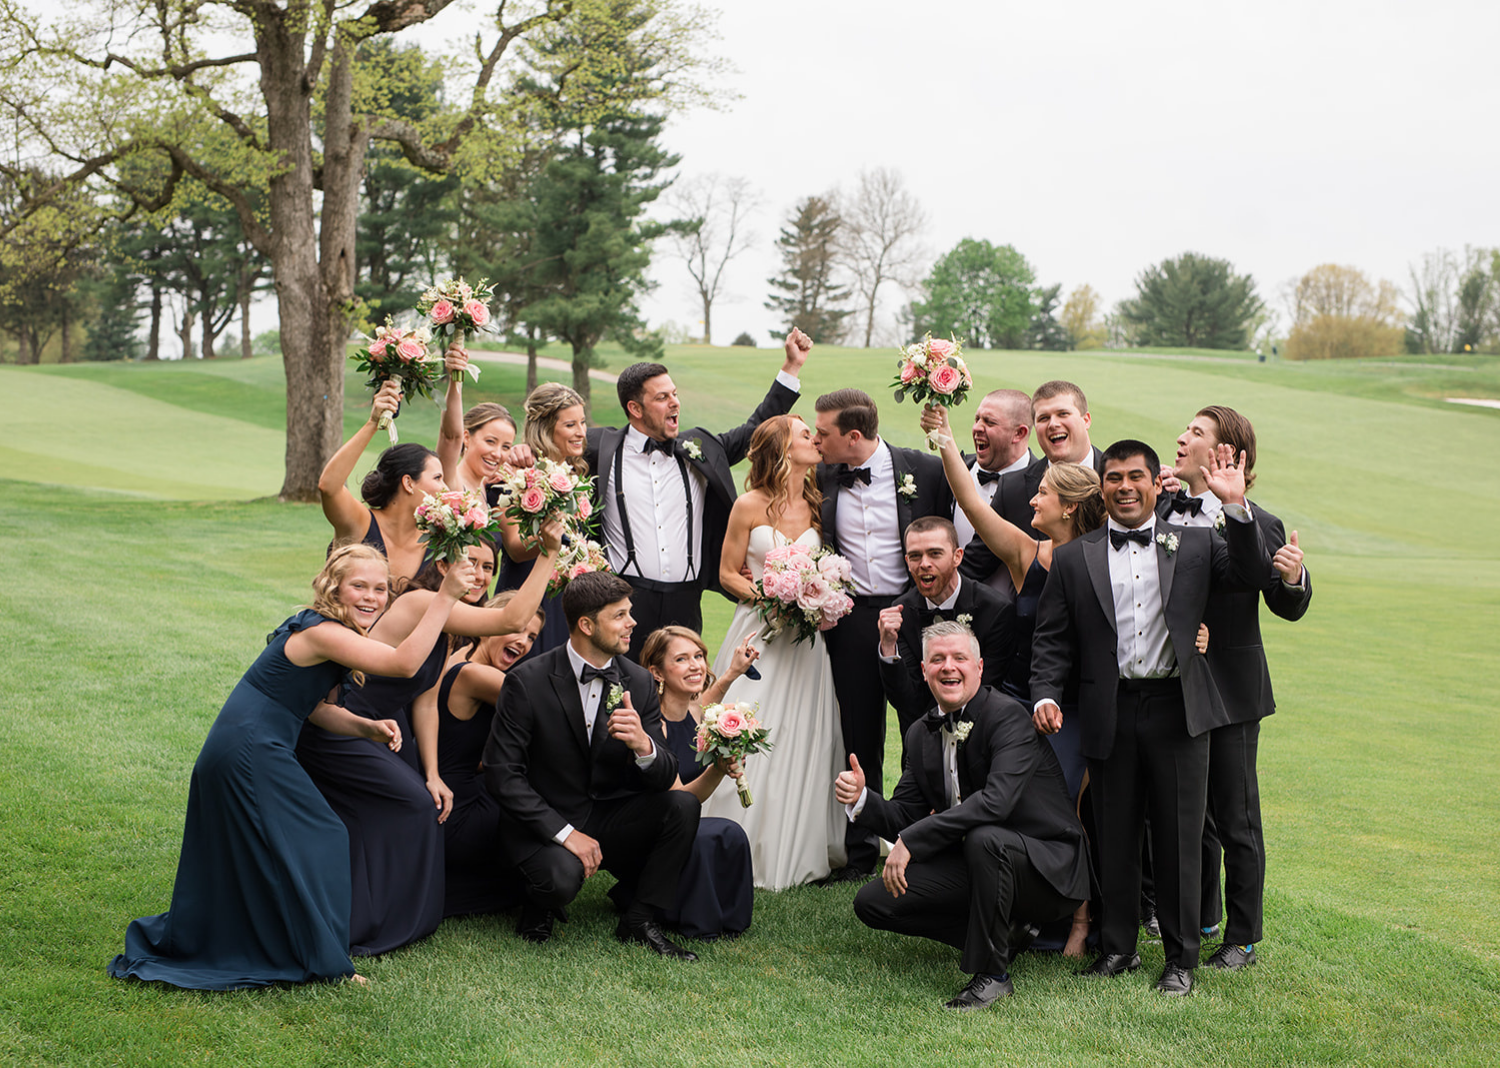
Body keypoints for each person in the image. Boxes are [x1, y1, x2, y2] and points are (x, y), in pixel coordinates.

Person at [108, 544, 476, 990]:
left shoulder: (334, 634)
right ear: (333, 586)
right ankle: (327, 963)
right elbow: (403, 663)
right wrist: (446, 595)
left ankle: (294, 945)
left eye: (380, 589)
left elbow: (314, 709)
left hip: (259, 745)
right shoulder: (322, 632)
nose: (371, 597)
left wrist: (366, 728)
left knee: (282, 845)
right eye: (358, 586)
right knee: (320, 835)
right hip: (249, 749)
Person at [1030, 439, 1273, 996]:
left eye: (1136, 476)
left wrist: (1235, 510)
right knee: (1113, 834)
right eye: (1113, 477)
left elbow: (1249, 574)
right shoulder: (1074, 556)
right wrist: (1044, 692)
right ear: (1103, 486)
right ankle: (1118, 949)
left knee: (1180, 837)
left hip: (1178, 709)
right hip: (1108, 709)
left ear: (1150, 481)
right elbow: (1052, 641)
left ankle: (1181, 960)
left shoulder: (1193, 543)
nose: (1125, 487)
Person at [296, 528, 561, 956]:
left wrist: (434, 774)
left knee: (424, 799)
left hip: (381, 732)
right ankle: (379, 918)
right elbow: (511, 620)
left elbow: (426, 703)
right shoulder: (422, 603)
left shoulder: (448, 623)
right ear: (442, 565)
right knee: (412, 807)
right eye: (469, 563)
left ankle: (390, 907)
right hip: (341, 727)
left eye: (488, 568)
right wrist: (548, 553)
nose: (479, 575)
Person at [836, 622, 1091, 1010]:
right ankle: (1006, 933)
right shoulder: (921, 733)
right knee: (874, 901)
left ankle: (992, 974)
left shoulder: (1008, 717)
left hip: (1049, 867)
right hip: (979, 860)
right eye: (937, 659)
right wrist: (863, 801)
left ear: (979, 667)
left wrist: (913, 842)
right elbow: (907, 813)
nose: (948, 667)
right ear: (923, 671)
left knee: (985, 837)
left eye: (959, 658)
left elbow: (996, 803)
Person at [1159, 406, 1311, 970]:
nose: (1182, 437)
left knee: (1235, 815)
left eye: (1196, 433)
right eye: (1186, 428)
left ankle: (1243, 936)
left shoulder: (1259, 521)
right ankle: (1201, 918)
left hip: (1231, 688)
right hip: (1172, 684)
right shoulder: (1164, 508)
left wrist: (1292, 576)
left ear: (1230, 455)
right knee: (1189, 816)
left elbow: (1271, 594)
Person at [483, 572, 700, 959]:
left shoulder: (638, 681)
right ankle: (539, 901)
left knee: (683, 806)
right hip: (546, 819)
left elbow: (666, 774)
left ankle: (639, 918)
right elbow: (503, 775)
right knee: (558, 882)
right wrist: (566, 834)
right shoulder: (526, 682)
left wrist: (643, 745)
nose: (632, 623)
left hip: (609, 814)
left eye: (629, 613)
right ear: (586, 624)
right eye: (619, 616)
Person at [587, 331, 809, 660]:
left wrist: (791, 367)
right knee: (621, 695)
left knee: (683, 697)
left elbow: (755, 430)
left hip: (686, 602)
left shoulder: (700, 448)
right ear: (634, 408)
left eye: (674, 394)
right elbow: (553, 443)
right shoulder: (600, 448)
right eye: (662, 397)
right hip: (623, 599)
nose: (675, 402)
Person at [701, 414, 849, 889]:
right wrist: (772, 596)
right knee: (751, 725)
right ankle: (739, 838)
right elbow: (726, 574)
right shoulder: (748, 505)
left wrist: (814, 595)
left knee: (803, 733)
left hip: (805, 642)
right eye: (806, 434)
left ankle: (798, 844)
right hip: (759, 635)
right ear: (782, 447)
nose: (815, 440)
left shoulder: (818, 505)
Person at [813, 387, 953, 880]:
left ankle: (929, 839)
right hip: (850, 620)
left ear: (854, 435)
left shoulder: (926, 470)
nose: (816, 440)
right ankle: (859, 849)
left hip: (915, 615)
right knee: (858, 729)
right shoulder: (820, 475)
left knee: (925, 728)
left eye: (823, 433)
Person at [414, 591, 544, 918]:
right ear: (487, 625)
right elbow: (547, 711)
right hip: (457, 812)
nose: (524, 643)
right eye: (517, 629)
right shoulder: (474, 674)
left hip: (449, 801)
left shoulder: (460, 655)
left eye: (532, 637)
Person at [640, 626, 759, 938]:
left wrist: (733, 671)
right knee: (705, 837)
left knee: (730, 832)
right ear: (657, 672)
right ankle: (689, 915)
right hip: (649, 831)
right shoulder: (655, 727)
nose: (695, 665)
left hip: (677, 821)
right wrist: (717, 769)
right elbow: (679, 800)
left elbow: (709, 698)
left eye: (699, 656)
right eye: (681, 659)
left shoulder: (692, 710)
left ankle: (731, 919)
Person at [317, 347, 470, 583]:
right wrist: (373, 422)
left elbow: (452, 439)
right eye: (437, 478)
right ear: (408, 482)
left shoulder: (438, 540)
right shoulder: (359, 523)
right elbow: (329, 487)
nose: (445, 488)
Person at [876, 516, 1015, 739]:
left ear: (957, 556)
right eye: (915, 556)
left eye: (935, 553)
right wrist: (888, 648)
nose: (924, 564)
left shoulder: (995, 611)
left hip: (980, 739)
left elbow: (988, 692)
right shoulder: (902, 613)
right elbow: (907, 702)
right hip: (922, 742)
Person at [960, 380, 1102, 583]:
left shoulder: (1118, 478)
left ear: (1086, 419)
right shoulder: (1012, 488)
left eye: (1063, 414)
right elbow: (974, 566)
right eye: (1043, 418)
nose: (1053, 424)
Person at [494, 382, 591, 658]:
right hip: (526, 596)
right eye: (570, 425)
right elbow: (514, 546)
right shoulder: (514, 476)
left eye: (582, 423)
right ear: (546, 428)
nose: (581, 432)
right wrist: (553, 536)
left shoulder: (578, 477)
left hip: (567, 603)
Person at [953, 389, 1036, 591]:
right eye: (977, 419)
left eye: (989, 423)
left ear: (1019, 433)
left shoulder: (1042, 486)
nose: (977, 428)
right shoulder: (956, 471)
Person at [438, 397, 520, 502]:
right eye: (490, 441)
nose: (497, 454)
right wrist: (456, 383)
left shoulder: (482, 486)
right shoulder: (452, 483)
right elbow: (449, 438)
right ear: (466, 438)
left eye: (506, 447)